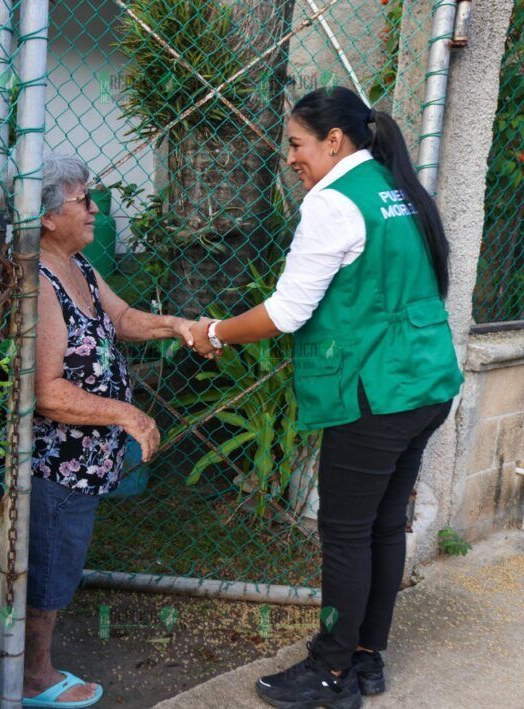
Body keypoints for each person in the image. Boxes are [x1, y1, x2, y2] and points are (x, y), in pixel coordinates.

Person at [188, 86, 464, 709]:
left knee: (345, 534)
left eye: (296, 143)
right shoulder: (399, 192)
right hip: (425, 383)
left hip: (376, 394)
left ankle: (331, 672)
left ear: (333, 141)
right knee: (383, 525)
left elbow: (286, 312)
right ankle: (366, 659)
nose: (290, 158)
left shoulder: (333, 202)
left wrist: (214, 333)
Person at [0, 154, 197, 708]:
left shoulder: (77, 265)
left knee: (15, 538)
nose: (94, 208)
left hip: (62, 455)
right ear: (46, 216)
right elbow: (47, 391)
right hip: (48, 457)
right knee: (48, 556)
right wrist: (127, 414)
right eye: (83, 200)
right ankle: (34, 676)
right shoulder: (37, 282)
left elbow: (122, 318)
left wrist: (180, 326)